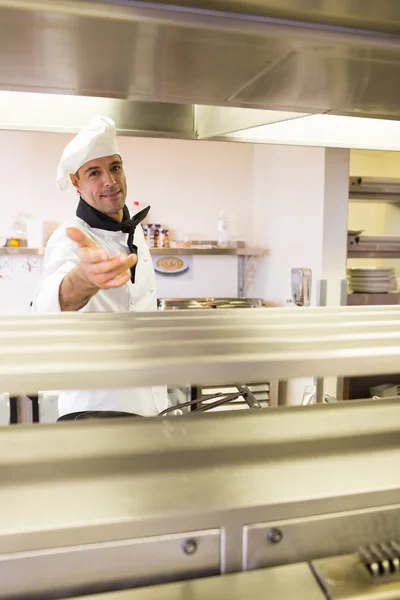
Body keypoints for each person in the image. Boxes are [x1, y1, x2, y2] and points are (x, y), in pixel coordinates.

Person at [32, 115, 169, 419]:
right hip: (95, 411)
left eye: (115, 167)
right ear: (75, 182)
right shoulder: (70, 239)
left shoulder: (134, 230)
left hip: (149, 406)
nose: (110, 180)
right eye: (94, 172)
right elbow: (53, 300)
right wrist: (84, 279)